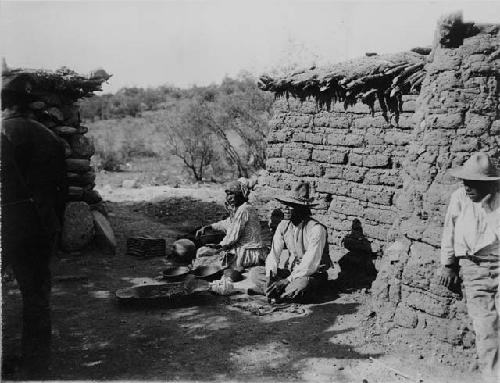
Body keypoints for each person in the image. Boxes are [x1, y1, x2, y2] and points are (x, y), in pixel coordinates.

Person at [1, 73, 67, 377]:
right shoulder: (50, 137)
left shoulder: (3, 133)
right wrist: (57, 226)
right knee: (37, 296)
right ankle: (36, 366)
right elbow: (61, 191)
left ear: (6, 104)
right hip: (41, 227)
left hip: (8, 226)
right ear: (30, 105)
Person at [438, 152, 499, 383]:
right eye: (465, 182)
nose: (467, 188)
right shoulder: (459, 199)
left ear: (490, 184)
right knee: (486, 328)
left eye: (474, 184)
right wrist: (449, 265)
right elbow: (449, 232)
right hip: (474, 270)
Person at [249, 181, 331, 303]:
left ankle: (274, 292)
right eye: (286, 205)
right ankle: (275, 290)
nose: (285, 209)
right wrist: (269, 277)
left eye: (291, 206)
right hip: (291, 272)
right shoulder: (283, 225)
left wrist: (286, 281)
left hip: (311, 274)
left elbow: (310, 264)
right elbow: (274, 253)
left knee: (303, 284)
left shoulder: (316, 229)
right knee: (255, 273)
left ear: (302, 209)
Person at [195, 180, 266, 269]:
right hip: (242, 249)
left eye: (232, 194)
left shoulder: (244, 210)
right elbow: (228, 223)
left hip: (247, 252)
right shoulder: (241, 209)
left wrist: (219, 247)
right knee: (203, 253)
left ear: (240, 195)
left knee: (205, 259)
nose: (228, 198)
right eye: (227, 194)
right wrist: (209, 227)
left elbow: (233, 236)